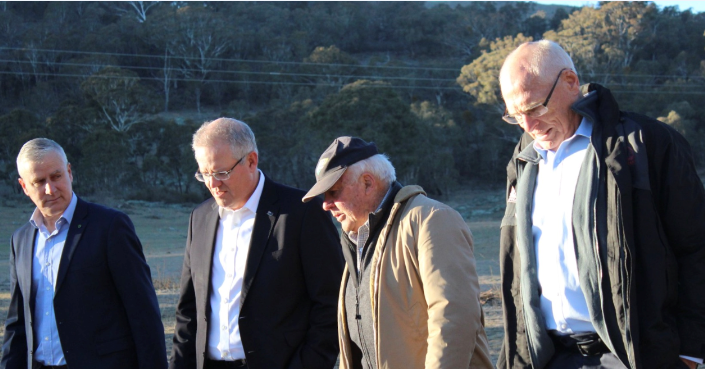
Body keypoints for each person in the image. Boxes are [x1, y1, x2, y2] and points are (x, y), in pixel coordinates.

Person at [496, 40, 705, 369]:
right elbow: (516, 265)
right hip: (548, 356)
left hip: (631, 356)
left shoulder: (646, 144)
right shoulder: (524, 160)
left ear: (570, 82)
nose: (529, 127)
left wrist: (690, 353)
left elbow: (696, 248)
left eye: (535, 108)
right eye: (516, 115)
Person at [302, 136, 493, 369]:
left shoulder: (431, 220)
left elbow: (453, 319)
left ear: (368, 183)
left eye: (333, 192)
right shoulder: (356, 242)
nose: (326, 204)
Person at [169, 118, 343, 369]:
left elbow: (331, 304)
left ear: (251, 160)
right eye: (204, 174)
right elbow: (188, 311)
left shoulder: (301, 213)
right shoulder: (200, 218)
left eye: (221, 173)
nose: (212, 184)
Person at [1, 138, 167, 369]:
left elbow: (143, 313)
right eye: (39, 181)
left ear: (69, 172)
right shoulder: (20, 240)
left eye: (56, 176)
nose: (50, 189)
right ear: (24, 187)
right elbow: (17, 324)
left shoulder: (110, 227)